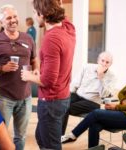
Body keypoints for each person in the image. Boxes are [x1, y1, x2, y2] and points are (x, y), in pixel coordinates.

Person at [62, 50, 126, 148]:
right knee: (94, 124)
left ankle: (73, 135)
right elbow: (121, 93)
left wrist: (116, 107)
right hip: (124, 112)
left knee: (96, 113)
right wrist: (125, 104)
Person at [0, 4, 38, 150]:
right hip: (4, 98)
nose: (13, 20)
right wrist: (2, 68)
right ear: (2, 22)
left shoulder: (28, 38)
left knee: (21, 136)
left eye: (15, 16)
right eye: (8, 18)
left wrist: (36, 70)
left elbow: (34, 59)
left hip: (25, 97)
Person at [21, 0, 76, 149]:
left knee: (51, 146)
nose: (34, 16)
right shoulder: (69, 29)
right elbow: (63, 15)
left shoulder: (50, 38)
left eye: (34, 12)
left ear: (43, 15)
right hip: (63, 97)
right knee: (41, 136)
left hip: (51, 101)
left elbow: (48, 80)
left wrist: (28, 76)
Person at [61, 52, 116, 139]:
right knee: (62, 104)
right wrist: (68, 96)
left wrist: (101, 78)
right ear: (98, 60)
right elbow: (75, 83)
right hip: (78, 95)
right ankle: (56, 134)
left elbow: (104, 94)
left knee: (66, 108)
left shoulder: (112, 77)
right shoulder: (87, 67)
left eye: (107, 62)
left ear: (110, 64)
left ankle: (59, 136)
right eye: (103, 61)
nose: (104, 64)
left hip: (92, 102)